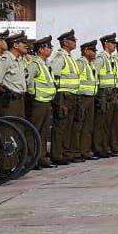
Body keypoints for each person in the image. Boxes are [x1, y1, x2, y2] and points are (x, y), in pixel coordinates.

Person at [49, 30, 80, 164]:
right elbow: (54, 76)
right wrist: (57, 96)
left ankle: (66, 153)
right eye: (72, 40)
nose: (75, 42)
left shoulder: (69, 57)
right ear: (65, 42)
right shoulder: (60, 57)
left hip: (71, 95)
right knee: (60, 127)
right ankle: (57, 155)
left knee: (68, 127)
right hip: (63, 96)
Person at [25, 36, 56, 168]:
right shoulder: (35, 64)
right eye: (48, 47)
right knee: (34, 131)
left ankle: (41, 157)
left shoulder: (45, 64)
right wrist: (33, 94)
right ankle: (32, 159)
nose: (50, 49)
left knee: (43, 132)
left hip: (46, 101)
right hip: (38, 102)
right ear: (41, 49)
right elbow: (27, 81)